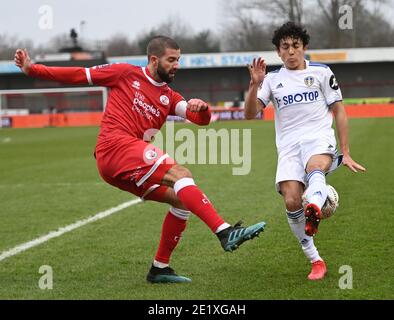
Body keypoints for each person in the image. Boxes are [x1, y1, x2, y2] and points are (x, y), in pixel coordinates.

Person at [14, 36, 266, 284]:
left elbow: (199, 120)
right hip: (114, 147)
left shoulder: (169, 96)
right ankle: (225, 232)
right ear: (154, 60)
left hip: (121, 165)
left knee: (181, 200)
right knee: (181, 174)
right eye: (171, 60)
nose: (176, 65)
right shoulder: (124, 73)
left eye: (178, 60)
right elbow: (79, 74)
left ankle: (160, 268)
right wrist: (32, 68)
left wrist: (203, 108)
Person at [244, 22, 365, 280]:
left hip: (318, 138)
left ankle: (315, 205)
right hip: (288, 146)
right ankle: (316, 260)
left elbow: (339, 111)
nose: (290, 52)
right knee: (291, 201)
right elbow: (250, 114)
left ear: (304, 47)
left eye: (295, 46)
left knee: (316, 166)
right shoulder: (272, 79)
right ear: (278, 51)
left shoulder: (322, 72)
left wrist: (346, 151)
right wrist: (255, 84)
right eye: (285, 47)